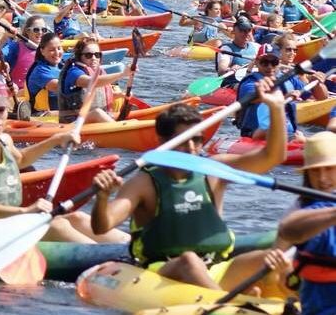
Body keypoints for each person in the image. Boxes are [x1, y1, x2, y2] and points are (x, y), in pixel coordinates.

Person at [91, 94, 289, 291]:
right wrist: (103, 196)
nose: (192, 148)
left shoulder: (215, 170)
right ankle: (228, 305)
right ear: (162, 142)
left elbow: (273, 157)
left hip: (216, 266)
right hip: (164, 270)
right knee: (189, 261)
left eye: (197, 139)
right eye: (184, 140)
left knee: (271, 258)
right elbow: (103, 226)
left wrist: (277, 107)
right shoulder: (143, 183)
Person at [0, 77, 128, 242]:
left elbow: (21, 159)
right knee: (56, 226)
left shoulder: (4, 140)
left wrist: (56, 140)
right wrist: (26, 211)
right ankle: (109, 262)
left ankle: (130, 247)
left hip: (5, 224)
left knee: (76, 218)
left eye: (1, 110)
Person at [277, 131, 336, 314]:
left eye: (329, 169)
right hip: (315, 299)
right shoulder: (303, 208)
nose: (323, 178)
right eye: (316, 170)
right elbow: (286, 232)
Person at [237, 43, 325, 141]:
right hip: (256, 133)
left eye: (273, 62)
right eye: (265, 62)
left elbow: (322, 97)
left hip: (288, 133)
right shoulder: (250, 82)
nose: (270, 66)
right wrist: (283, 98)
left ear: (279, 62)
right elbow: (254, 98)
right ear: (257, 62)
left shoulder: (289, 78)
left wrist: (317, 83)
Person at [58, 37, 130, 124]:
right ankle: (120, 130)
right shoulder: (73, 72)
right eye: (88, 55)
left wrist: (119, 95)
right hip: (72, 122)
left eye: (97, 55)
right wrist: (122, 74)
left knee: (131, 117)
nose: (94, 58)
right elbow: (91, 82)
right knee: (97, 113)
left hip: (90, 120)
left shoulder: (99, 71)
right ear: (79, 56)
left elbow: (96, 97)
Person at [2, 15, 46, 89]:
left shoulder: (48, 49)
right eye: (36, 30)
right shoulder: (14, 48)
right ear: (27, 31)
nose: (40, 33)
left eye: (44, 30)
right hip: (17, 92)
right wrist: (4, 37)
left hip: (36, 93)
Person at [25, 31, 65, 113]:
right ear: (42, 51)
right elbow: (59, 87)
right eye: (52, 50)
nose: (57, 53)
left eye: (59, 48)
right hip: (42, 116)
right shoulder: (40, 71)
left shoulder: (62, 65)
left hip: (59, 113)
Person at [216, 16, 260, 87]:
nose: (246, 33)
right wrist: (230, 69)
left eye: (248, 30)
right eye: (242, 30)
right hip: (232, 84)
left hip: (252, 81)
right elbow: (221, 70)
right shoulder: (226, 49)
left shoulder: (256, 46)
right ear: (233, 32)